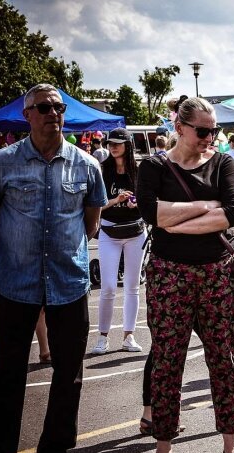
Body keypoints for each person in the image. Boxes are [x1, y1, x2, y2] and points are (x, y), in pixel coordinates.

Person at [0, 84, 107, 453]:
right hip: (18, 284)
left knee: (69, 374)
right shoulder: (1, 164)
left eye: (58, 107)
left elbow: (91, 223)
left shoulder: (86, 166)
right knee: (7, 376)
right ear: (27, 115)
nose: (53, 113)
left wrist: (63, 256)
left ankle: (54, 452)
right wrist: (14, 255)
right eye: (44, 107)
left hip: (68, 283)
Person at [135, 96, 234, 453]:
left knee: (223, 357)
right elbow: (150, 213)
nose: (210, 137)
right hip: (169, 274)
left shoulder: (223, 162)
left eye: (214, 130)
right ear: (180, 128)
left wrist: (175, 218)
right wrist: (206, 206)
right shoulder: (154, 165)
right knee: (169, 362)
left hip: (217, 273)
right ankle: (163, 450)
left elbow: (232, 213)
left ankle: (231, 445)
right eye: (203, 131)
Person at [90, 127, 146, 355]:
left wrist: (137, 204)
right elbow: (95, 206)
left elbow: (150, 202)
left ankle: (128, 335)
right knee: (109, 287)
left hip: (135, 232)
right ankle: (103, 337)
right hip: (109, 232)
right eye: (110, 143)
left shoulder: (139, 170)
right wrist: (116, 200)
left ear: (128, 145)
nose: (113, 146)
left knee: (132, 287)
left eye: (117, 143)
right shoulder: (102, 170)